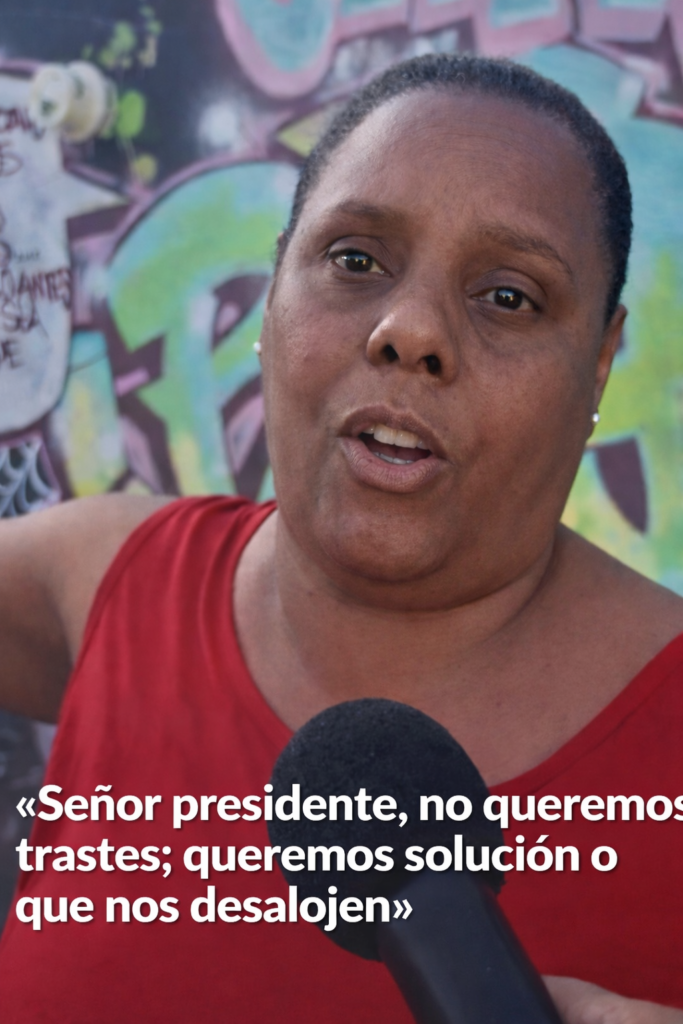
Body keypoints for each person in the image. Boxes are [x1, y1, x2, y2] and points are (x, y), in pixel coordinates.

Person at [0, 53, 681, 1023]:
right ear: (274, 289)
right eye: (355, 261)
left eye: (508, 296)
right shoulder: (107, 580)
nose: (411, 331)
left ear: (600, 360)